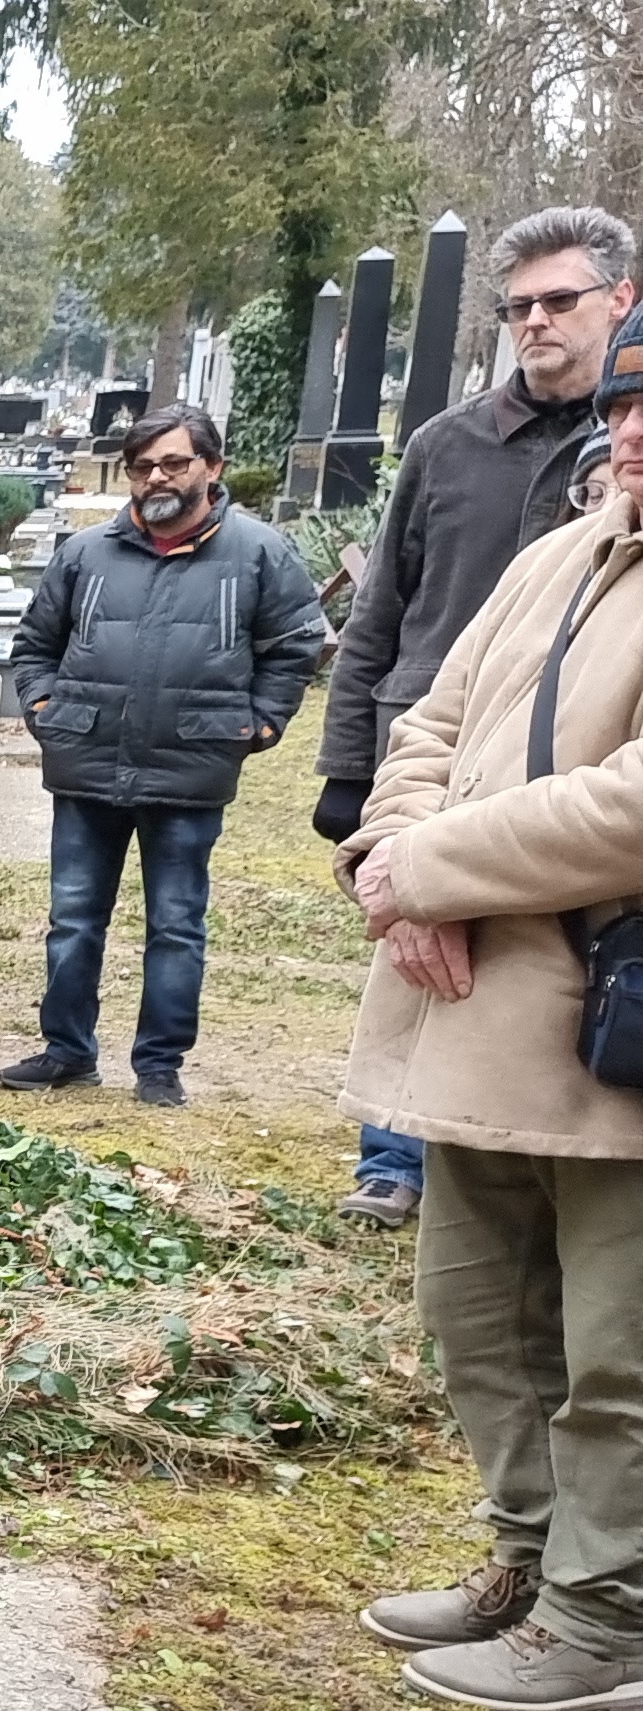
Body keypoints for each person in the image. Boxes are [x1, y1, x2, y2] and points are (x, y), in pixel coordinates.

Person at [339, 305, 643, 1711]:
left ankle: (606, 1614)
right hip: (477, 1004)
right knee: (479, 1311)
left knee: (616, 1348)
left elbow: (629, 803)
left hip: (615, 1025)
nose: (632, 435)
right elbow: (430, 726)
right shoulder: (558, 555)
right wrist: (398, 864)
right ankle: (528, 1557)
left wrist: (433, 869)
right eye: (626, 407)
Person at [320, 206, 635, 1226]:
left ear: (621, 301)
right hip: (434, 761)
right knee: (431, 961)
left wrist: (423, 863)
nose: (534, 321)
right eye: (517, 307)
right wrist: (353, 777)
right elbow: (383, 613)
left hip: (567, 799)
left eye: (558, 300)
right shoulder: (447, 444)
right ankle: (395, 1154)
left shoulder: (616, 467)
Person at [0, 405, 332, 1106]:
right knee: (73, 918)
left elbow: (298, 642)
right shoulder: (86, 553)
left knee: (176, 925)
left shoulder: (258, 552)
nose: (157, 478)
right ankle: (67, 1051)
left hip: (192, 762)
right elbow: (35, 645)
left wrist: (263, 722)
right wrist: (45, 709)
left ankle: (159, 1064)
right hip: (88, 759)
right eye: (142, 466)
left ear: (212, 467)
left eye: (174, 463)